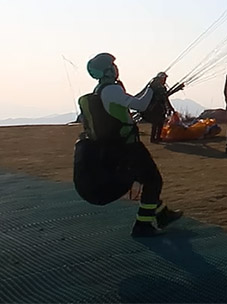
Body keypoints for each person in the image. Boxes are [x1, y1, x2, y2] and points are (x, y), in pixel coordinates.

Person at [76, 53, 182, 237]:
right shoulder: (111, 90)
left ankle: (162, 213)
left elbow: (133, 100)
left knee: (144, 178)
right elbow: (140, 105)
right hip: (128, 147)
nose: (116, 69)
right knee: (153, 180)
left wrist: (151, 86)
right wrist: (153, 87)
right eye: (113, 66)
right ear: (107, 70)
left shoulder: (101, 89)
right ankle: (143, 224)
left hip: (117, 146)